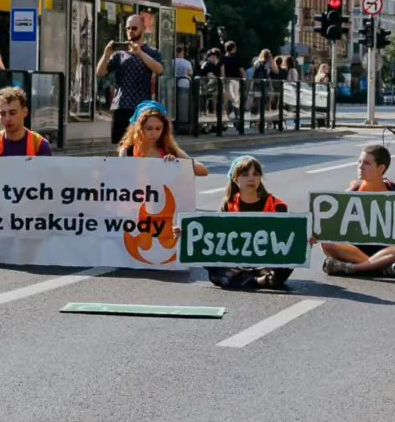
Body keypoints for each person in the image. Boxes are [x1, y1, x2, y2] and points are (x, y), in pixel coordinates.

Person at [320, 144, 395, 278]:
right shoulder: (351, 193)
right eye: (359, 162)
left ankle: (355, 268)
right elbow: (334, 227)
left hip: (389, 249)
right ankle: (380, 268)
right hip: (358, 250)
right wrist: (318, 232)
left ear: (381, 168)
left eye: (366, 163)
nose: (360, 167)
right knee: (326, 243)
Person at [207, 155, 293, 291]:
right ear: (235, 179)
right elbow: (214, 237)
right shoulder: (227, 205)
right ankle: (259, 282)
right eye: (245, 174)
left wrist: (304, 240)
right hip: (236, 262)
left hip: (266, 263)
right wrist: (185, 234)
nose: (251, 178)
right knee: (210, 263)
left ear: (260, 178)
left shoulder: (277, 205)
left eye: (256, 174)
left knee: (291, 254)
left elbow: (287, 236)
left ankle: (248, 280)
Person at [96, 14, 164, 144]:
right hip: (120, 106)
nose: (130, 31)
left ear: (143, 28)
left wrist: (140, 53)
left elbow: (160, 69)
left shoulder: (151, 52)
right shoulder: (120, 53)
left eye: (134, 28)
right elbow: (100, 72)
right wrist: (106, 55)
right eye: (128, 28)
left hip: (141, 108)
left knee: (140, 147)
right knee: (121, 147)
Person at [116, 100, 208, 176]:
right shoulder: (128, 150)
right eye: (149, 128)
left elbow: (203, 171)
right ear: (139, 129)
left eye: (158, 128)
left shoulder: (168, 149)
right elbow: (121, 176)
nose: (153, 133)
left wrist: (177, 163)